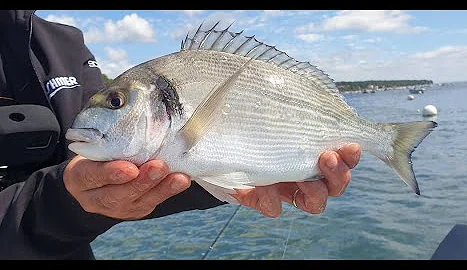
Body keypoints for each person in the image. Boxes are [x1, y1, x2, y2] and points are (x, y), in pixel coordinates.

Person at [0, 10, 362, 259]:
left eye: (116, 101)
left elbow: (96, 171)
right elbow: (72, 183)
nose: (107, 108)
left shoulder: (60, 45)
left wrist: (243, 179)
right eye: (116, 100)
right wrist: (64, 201)